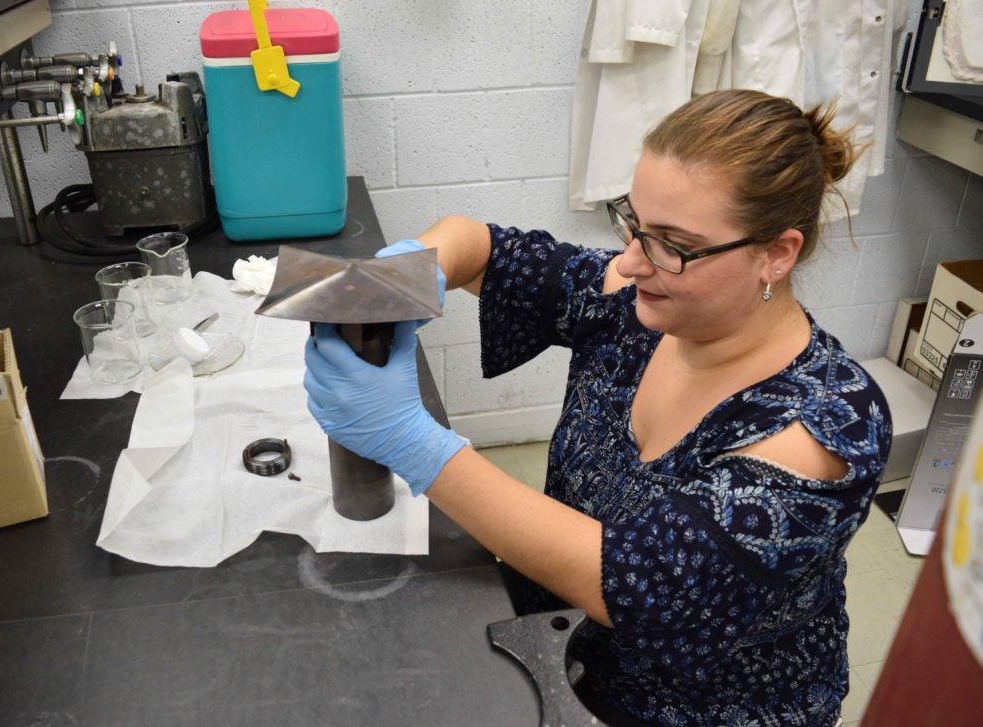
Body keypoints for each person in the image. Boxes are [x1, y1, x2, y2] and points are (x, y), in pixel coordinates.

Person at [303, 89, 892, 726]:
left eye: (674, 245)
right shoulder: (640, 304)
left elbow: (634, 585)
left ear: (777, 253)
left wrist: (414, 444)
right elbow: (480, 245)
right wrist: (408, 276)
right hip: (549, 647)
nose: (633, 261)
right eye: (634, 223)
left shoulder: (822, 429)